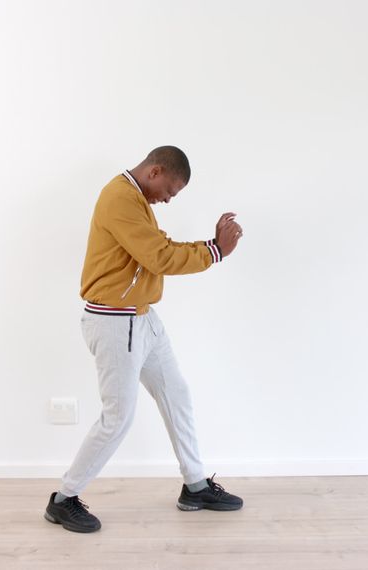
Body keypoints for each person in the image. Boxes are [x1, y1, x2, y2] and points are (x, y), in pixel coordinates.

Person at [44, 145, 245, 533]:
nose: (168, 198)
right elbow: (159, 258)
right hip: (116, 322)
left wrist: (210, 248)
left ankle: (196, 486)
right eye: (170, 189)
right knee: (118, 417)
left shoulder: (136, 198)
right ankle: (63, 499)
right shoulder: (121, 198)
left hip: (142, 319)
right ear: (155, 171)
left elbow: (162, 249)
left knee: (177, 394)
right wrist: (216, 251)